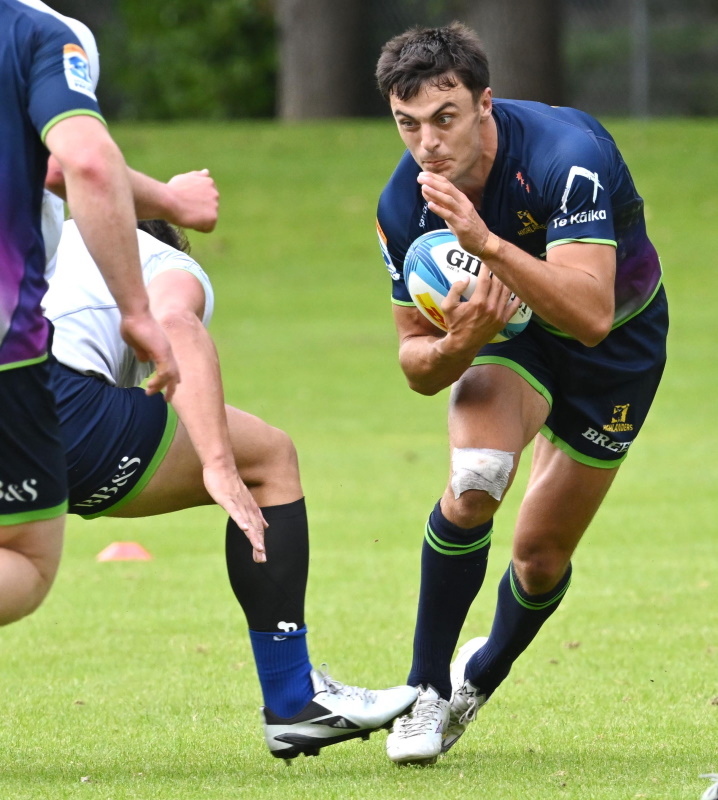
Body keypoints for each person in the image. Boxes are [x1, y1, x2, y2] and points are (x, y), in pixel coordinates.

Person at [373, 22, 668, 765]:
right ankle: (424, 692)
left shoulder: (567, 157)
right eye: (408, 125)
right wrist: (463, 339)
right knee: (475, 480)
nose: (428, 143)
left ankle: (480, 677)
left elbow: (594, 316)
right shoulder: (402, 207)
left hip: (618, 348)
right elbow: (416, 365)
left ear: (484, 104)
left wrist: (488, 244)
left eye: (446, 118)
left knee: (539, 555)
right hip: (511, 339)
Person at [44, 218, 417, 759]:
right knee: (267, 457)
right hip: (57, 408)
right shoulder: (164, 262)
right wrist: (217, 463)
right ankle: (293, 701)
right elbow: (175, 321)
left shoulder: (58, 234)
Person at [0, 0, 178, 627]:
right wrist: (138, 309)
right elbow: (78, 163)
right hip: (8, 346)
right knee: (25, 559)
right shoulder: (39, 32)